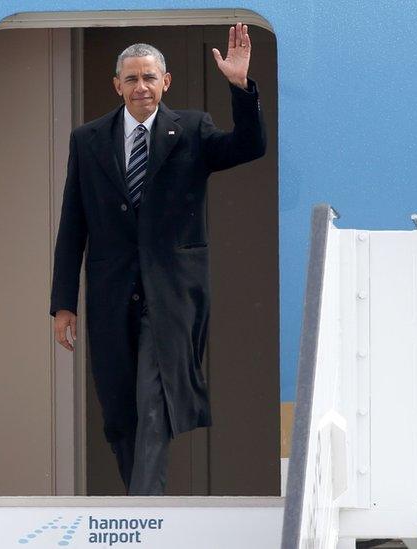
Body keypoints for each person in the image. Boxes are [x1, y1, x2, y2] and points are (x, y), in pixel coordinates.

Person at [50, 23, 266, 495]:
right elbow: (73, 223)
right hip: (112, 296)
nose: (141, 87)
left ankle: (144, 515)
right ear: (117, 85)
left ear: (165, 82)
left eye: (149, 77)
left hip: (171, 296)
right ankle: (144, 509)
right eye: (131, 79)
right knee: (121, 414)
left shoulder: (190, 129)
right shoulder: (87, 140)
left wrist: (239, 87)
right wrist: (63, 302)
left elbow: (249, 147)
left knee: (154, 400)